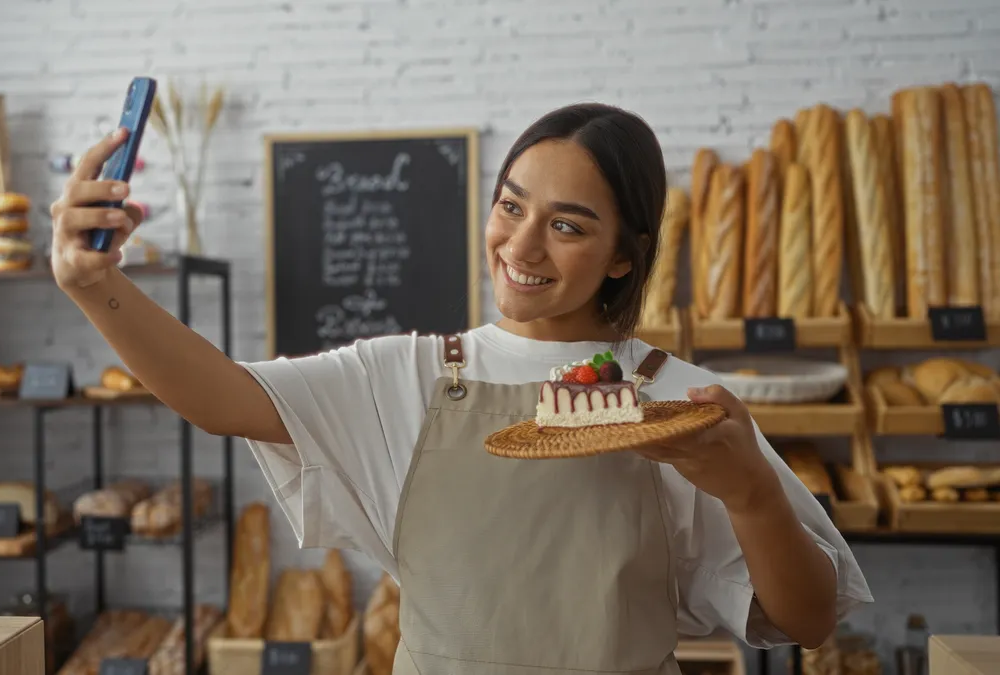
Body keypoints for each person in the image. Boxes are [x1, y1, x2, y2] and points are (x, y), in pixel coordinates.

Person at [51, 102, 871, 674]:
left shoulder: (681, 404)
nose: (521, 244)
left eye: (568, 224)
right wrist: (93, 283)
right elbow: (221, 397)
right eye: (510, 206)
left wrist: (755, 494)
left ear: (625, 254)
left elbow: (807, 619)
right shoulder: (408, 374)